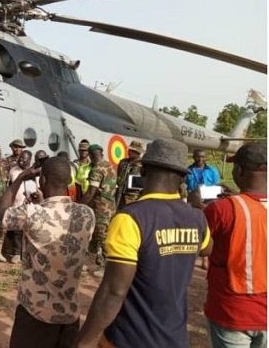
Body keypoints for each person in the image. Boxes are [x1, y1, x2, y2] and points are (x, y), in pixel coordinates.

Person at [75, 138, 213, 348]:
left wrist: (84, 342)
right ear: (183, 177)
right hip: (175, 338)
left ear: (143, 170)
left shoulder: (131, 218)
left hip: (130, 339)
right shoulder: (196, 218)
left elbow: (114, 291)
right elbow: (207, 248)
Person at [0, 157, 95, 348]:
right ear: (69, 181)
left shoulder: (32, 214)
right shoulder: (87, 215)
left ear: (43, 181)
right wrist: (41, 204)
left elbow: (1, 213)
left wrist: (20, 178)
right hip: (69, 316)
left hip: (35, 313)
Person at [203, 143, 267, 348]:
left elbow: (203, 247)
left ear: (239, 171)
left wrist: (198, 209)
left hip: (233, 311)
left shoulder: (221, 209)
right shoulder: (229, 207)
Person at [80, 144, 117, 276]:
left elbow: (91, 192)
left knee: (102, 236)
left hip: (100, 207)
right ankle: (91, 262)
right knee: (96, 234)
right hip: (110, 206)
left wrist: (80, 206)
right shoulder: (111, 166)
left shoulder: (97, 169)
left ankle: (104, 266)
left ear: (90, 155)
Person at [5, 150, 35, 264]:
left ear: (30, 160)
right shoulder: (13, 171)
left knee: (30, 230)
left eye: (24, 159)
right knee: (17, 230)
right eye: (20, 158)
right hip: (17, 204)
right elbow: (8, 186)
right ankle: (17, 253)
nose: (21, 160)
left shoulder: (34, 171)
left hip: (31, 205)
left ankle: (27, 253)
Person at [115, 140, 144, 209]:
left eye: (132, 151)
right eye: (130, 150)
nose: (129, 152)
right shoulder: (123, 162)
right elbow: (118, 176)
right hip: (120, 196)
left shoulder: (143, 165)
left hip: (134, 197)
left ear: (138, 153)